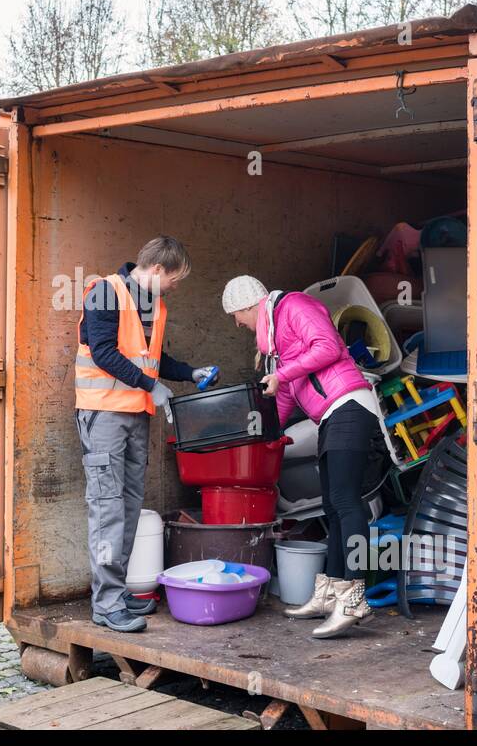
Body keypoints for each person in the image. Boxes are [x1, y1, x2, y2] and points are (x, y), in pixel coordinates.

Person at [221, 275, 382, 638]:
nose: (237, 323)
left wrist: (282, 373)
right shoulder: (278, 343)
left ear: (250, 306)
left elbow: (328, 347)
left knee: (346, 502)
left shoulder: (295, 305)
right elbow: (286, 398)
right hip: (329, 415)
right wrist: (264, 439)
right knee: (333, 507)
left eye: (236, 315)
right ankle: (330, 593)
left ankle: (354, 597)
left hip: (350, 406)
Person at [76, 237, 217, 633]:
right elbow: (103, 352)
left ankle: (117, 594)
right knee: (107, 509)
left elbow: (154, 360)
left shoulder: (153, 304)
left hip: (136, 416)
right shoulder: (106, 293)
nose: (176, 285)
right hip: (103, 414)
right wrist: (147, 384)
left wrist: (189, 373)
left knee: (129, 506)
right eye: (175, 278)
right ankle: (105, 604)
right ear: (157, 270)